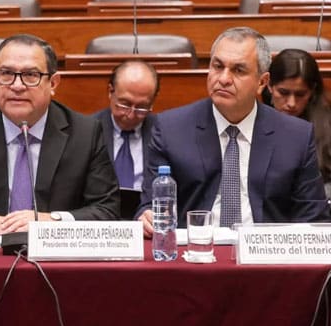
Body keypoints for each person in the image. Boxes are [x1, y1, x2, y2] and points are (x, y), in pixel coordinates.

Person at [136, 27, 330, 237]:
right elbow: (150, 205)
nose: (224, 79)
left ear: (262, 82)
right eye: (218, 66)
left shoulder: (295, 136)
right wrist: (147, 217)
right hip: (194, 250)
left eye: (238, 70)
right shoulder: (170, 128)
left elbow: (313, 220)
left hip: (265, 252)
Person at [0, 34, 120, 234]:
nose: (17, 86)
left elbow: (107, 210)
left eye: (30, 75)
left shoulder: (85, 134)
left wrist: (54, 221)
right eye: (6, 73)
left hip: (54, 251)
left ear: (53, 83)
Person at [263, 48, 331, 198]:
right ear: (269, 85)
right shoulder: (253, 120)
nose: (291, 103)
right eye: (283, 92)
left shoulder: (327, 126)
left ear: (312, 91)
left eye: (300, 94)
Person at [94, 61, 159, 218]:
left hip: (146, 220)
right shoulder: (88, 131)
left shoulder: (163, 133)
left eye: (142, 107)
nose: (131, 115)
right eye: (124, 105)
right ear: (110, 92)